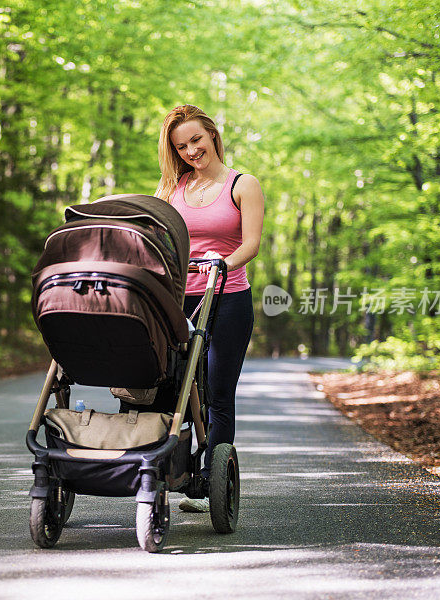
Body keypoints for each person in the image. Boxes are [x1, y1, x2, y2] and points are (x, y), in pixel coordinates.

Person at [156, 104, 264, 513]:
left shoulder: (243, 183)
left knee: (218, 392)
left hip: (227, 297)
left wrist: (224, 262)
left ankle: (212, 481)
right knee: (173, 387)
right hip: (177, 298)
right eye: (181, 146)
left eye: (196, 140)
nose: (190, 151)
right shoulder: (170, 188)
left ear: (212, 135)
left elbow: (250, 243)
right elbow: (155, 235)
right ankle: (168, 473)